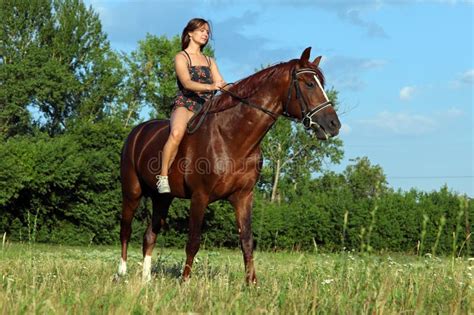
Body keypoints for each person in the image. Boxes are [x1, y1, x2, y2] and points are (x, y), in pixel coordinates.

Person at [156, 18, 226, 193]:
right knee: (177, 133)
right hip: (186, 104)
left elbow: (221, 83)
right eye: (202, 30)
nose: (205, 34)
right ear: (190, 33)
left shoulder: (210, 61)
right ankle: (163, 176)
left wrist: (240, 89)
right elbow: (187, 83)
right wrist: (210, 87)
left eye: (207, 32)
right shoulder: (182, 57)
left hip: (207, 108)